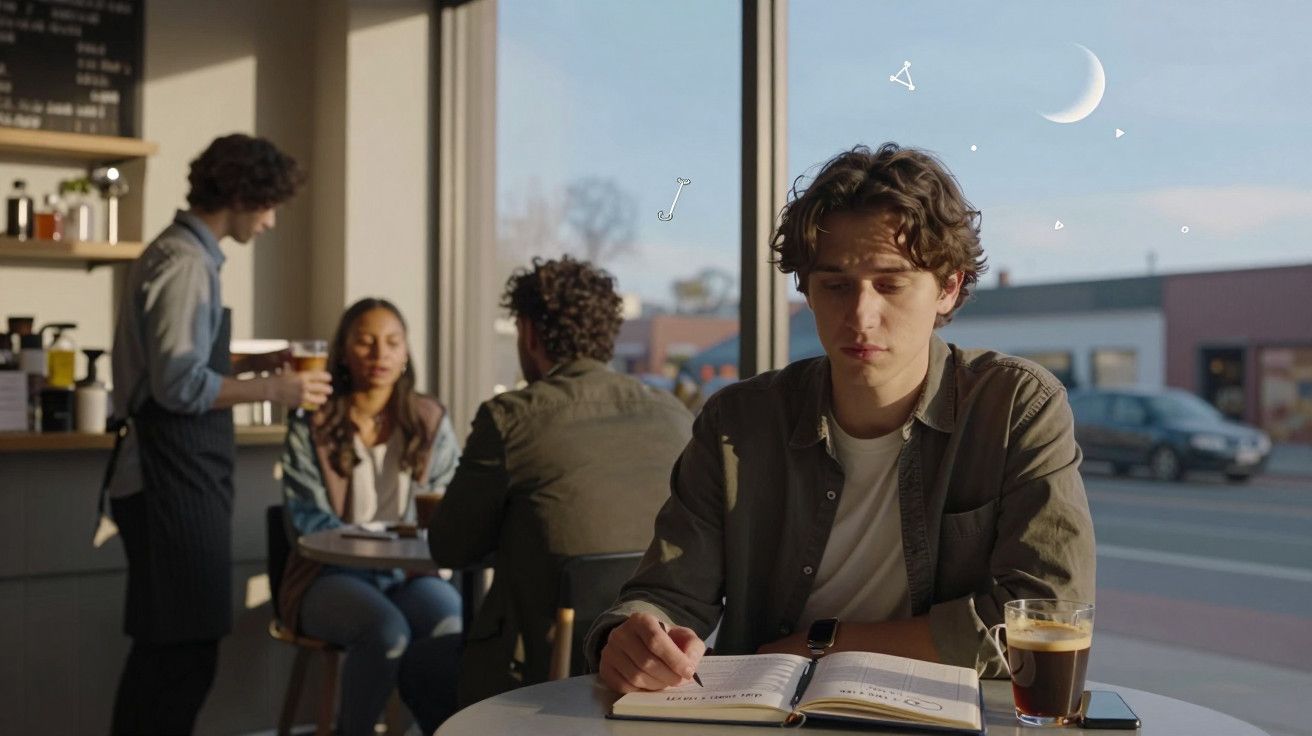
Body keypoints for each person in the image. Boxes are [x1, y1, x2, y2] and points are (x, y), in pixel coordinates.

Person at [586, 143, 1096, 692]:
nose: (860, 314)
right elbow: (668, 593)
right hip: (769, 720)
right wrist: (634, 637)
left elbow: (1045, 614)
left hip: (941, 718)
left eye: (891, 283)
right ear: (806, 290)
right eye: (835, 285)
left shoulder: (1015, 406)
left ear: (948, 287)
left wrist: (820, 645)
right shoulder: (739, 423)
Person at [105, 133, 326, 735]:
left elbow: (177, 367)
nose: (273, 221)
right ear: (244, 195)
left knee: (170, 653)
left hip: (172, 481)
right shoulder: (187, 264)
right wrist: (274, 392)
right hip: (166, 483)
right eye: (271, 205)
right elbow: (177, 386)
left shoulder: (180, 256)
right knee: (180, 657)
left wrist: (256, 363)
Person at [429, 256, 694, 706]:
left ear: (529, 334)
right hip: (658, 668)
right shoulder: (674, 415)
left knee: (421, 664)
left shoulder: (510, 418)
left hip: (540, 675)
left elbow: (451, 547)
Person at [279, 298, 464, 736]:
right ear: (343, 351)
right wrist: (377, 553)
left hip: (411, 576)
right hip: (326, 576)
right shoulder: (313, 422)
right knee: (386, 631)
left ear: (405, 353)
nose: (380, 354)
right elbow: (307, 518)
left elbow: (449, 504)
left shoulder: (429, 420)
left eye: (392, 342)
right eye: (365, 342)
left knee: (450, 619)